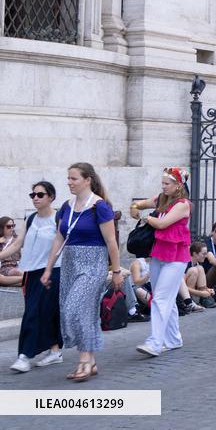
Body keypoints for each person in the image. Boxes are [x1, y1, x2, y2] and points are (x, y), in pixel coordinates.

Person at [41, 163, 122, 382]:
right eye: (68, 178)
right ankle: (90, 361)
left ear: (87, 180)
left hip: (93, 263)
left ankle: (85, 361)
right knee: (77, 312)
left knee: (74, 308)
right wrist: (48, 268)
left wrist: (116, 270)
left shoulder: (100, 206)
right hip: (70, 263)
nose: (69, 182)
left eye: (74, 178)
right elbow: (59, 238)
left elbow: (111, 241)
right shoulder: (66, 206)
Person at [3, 182, 63, 372]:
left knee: (36, 311)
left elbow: (63, 245)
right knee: (39, 310)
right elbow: (16, 245)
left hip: (52, 271)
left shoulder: (58, 218)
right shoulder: (30, 219)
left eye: (40, 194)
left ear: (51, 197)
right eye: (33, 195)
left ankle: (24, 356)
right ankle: (55, 351)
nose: (35, 198)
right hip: (31, 272)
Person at [135, 167, 193, 357]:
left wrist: (146, 217)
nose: (163, 186)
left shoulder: (183, 204)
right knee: (167, 299)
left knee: (160, 298)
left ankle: (155, 342)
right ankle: (173, 339)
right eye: (162, 183)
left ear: (178, 185)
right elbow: (139, 204)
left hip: (177, 257)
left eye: (167, 184)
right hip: (159, 253)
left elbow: (162, 224)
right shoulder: (160, 198)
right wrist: (135, 209)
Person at [184, 243, 216, 308]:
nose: (206, 256)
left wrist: (207, 290)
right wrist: (201, 293)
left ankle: (204, 299)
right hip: (181, 294)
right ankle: (190, 301)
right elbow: (180, 287)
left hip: (193, 290)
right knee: (194, 270)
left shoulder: (197, 263)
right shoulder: (185, 263)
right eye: (204, 254)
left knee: (200, 268)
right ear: (194, 254)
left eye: (206, 253)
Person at [0, 216, 22, 286]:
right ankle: (26, 280)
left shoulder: (17, 239)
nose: (12, 228)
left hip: (17, 265)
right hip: (4, 267)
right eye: (9, 226)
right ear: (2, 228)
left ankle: (12, 283)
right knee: (16, 272)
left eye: (13, 226)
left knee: (19, 271)